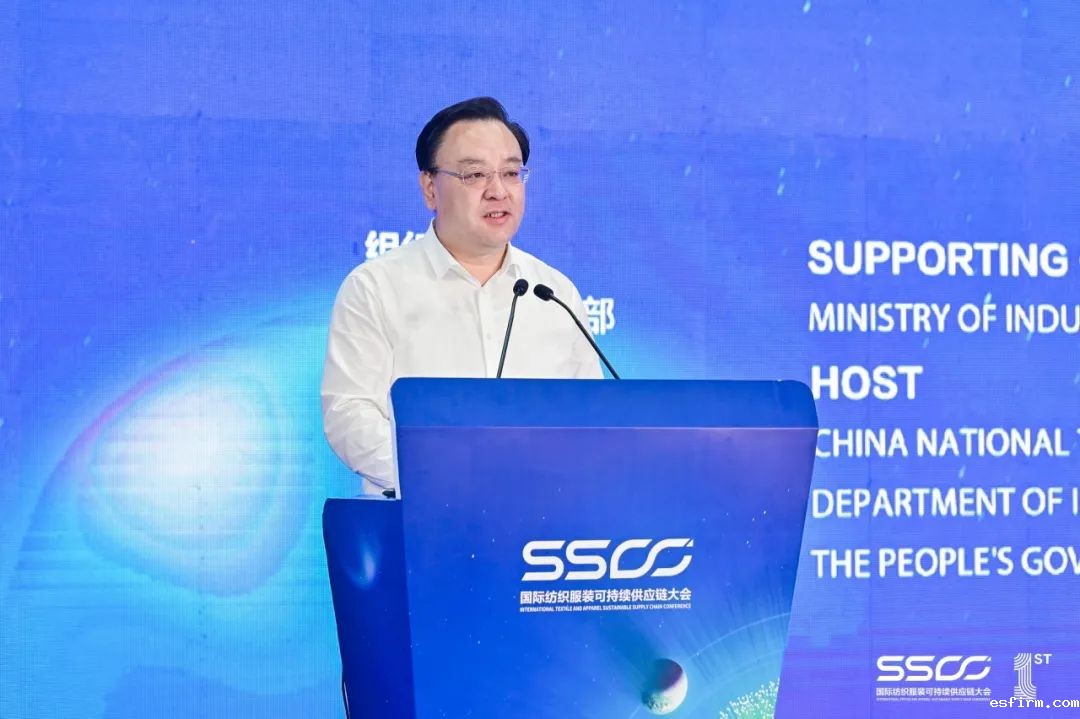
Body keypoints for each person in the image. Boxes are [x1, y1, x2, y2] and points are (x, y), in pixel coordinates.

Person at [321, 97, 602, 494]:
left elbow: (588, 419)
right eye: (474, 175)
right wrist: (446, 476)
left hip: (539, 518)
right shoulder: (376, 288)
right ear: (430, 188)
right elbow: (349, 414)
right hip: (417, 517)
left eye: (511, 173)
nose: (498, 191)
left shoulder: (555, 293)